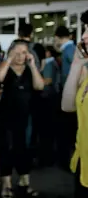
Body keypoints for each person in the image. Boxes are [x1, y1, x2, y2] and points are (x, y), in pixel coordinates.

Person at [0, 40, 44, 198]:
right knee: (6, 149)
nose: (21, 56)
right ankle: (6, 185)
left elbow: (39, 86)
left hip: (25, 117)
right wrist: (8, 60)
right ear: (10, 52)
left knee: (24, 149)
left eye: (24, 52)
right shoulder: (5, 67)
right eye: (17, 52)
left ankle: (25, 182)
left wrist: (33, 65)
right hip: (5, 117)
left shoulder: (29, 70)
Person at [61, 10, 88, 198]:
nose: (84, 36)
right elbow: (67, 105)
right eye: (85, 29)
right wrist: (77, 65)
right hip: (83, 161)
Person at [55, 25, 77, 169]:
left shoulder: (69, 50)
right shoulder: (70, 50)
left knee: (69, 129)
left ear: (58, 38)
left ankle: (69, 162)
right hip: (70, 93)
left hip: (70, 93)